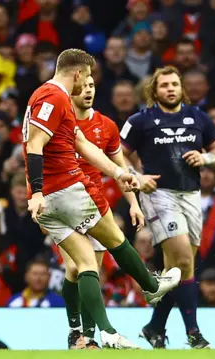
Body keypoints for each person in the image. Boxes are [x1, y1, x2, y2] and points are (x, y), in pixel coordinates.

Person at [23, 49, 180, 350]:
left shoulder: (49, 98)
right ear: (79, 74)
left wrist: (118, 173)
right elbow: (35, 143)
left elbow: (82, 145)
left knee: (84, 265)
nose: (88, 86)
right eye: (88, 78)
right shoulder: (54, 97)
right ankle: (150, 286)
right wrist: (40, 191)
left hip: (48, 200)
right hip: (66, 188)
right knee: (116, 239)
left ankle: (103, 333)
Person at [121, 66, 215, 349]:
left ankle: (155, 326)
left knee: (180, 269)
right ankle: (194, 333)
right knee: (182, 261)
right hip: (159, 194)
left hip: (191, 196)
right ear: (154, 91)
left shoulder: (198, 118)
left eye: (174, 84)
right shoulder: (140, 120)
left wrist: (206, 159)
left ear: (181, 88)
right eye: (164, 85)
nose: (170, 89)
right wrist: (136, 176)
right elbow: (117, 154)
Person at [61, 75, 146, 349]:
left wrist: (133, 203)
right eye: (82, 86)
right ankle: (75, 329)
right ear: (69, 89)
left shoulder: (106, 126)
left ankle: (88, 337)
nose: (87, 91)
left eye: (91, 86)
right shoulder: (60, 123)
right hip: (62, 203)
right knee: (74, 268)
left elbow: (121, 168)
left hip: (95, 205)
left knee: (91, 270)